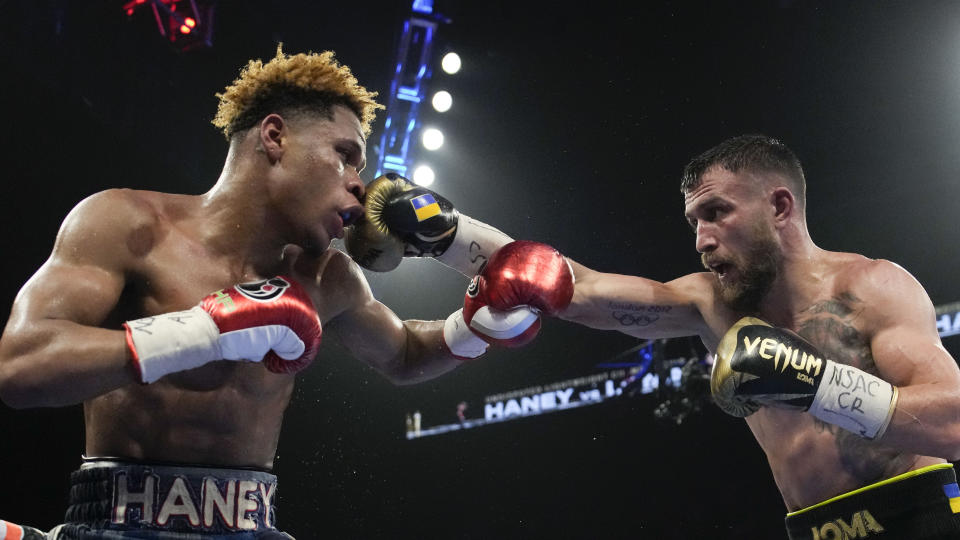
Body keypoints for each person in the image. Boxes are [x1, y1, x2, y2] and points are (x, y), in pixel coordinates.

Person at [0, 45, 565, 539]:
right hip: (112, 520)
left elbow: (406, 355)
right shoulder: (124, 223)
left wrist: (478, 325)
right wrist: (203, 331)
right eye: (345, 154)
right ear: (275, 136)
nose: (358, 184)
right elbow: (21, 366)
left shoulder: (329, 278)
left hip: (253, 524)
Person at [361, 134, 960, 539]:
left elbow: (955, 423)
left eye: (717, 213)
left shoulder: (873, 287)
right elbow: (579, 290)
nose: (701, 239)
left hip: (924, 515)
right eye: (694, 222)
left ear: (780, 206)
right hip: (810, 527)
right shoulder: (709, 302)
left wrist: (817, 383)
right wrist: (449, 234)